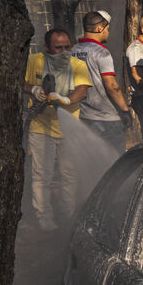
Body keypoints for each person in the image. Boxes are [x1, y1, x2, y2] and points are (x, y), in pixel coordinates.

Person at [21, 28, 93, 231]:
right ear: (46, 48)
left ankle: (68, 213)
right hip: (40, 127)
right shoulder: (35, 61)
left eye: (67, 47)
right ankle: (44, 217)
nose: (64, 51)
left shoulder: (77, 64)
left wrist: (67, 99)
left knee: (69, 174)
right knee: (42, 175)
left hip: (69, 128)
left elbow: (82, 89)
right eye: (58, 47)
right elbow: (21, 81)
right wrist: (33, 89)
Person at [72, 10, 138, 150]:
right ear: (99, 28)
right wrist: (125, 110)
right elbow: (111, 85)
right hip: (107, 118)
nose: (108, 33)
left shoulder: (74, 50)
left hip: (85, 117)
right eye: (107, 29)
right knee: (115, 160)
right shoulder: (101, 52)